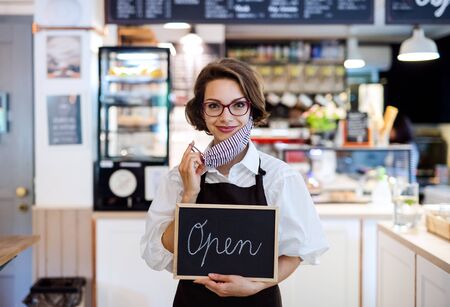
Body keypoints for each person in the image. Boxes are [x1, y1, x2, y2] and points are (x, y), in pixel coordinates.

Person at [140, 58, 328, 307]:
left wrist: (255, 286)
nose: (226, 117)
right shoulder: (179, 178)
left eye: (238, 105)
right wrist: (189, 196)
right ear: (201, 112)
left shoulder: (279, 177)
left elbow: (297, 252)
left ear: (252, 109)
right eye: (214, 106)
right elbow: (157, 254)